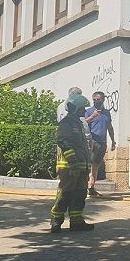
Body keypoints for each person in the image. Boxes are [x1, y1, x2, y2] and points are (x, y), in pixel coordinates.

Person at [51, 93, 94, 232]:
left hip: (81, 165)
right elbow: (64, 143)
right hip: (69, 166)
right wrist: (73, 163)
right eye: (82, 108)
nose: (84, 111)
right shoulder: (66, 124)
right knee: (65, 193)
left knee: (79, 194)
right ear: (74, 108)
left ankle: (76, 221)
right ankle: (56, 220)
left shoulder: (78, 124)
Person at [85, 91, 116, 198]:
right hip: (91, 142)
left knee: (96, 166)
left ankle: (91, 188)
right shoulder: (89, 111)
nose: (96, 101)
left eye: (98, 99)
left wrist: (113, 141)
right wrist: (92, 116)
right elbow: (83, 123)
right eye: (94, 99)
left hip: (102, 143)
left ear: (103, 99)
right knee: (88, 165)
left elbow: (110, 127)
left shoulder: (106, 113)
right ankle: (83, 187)